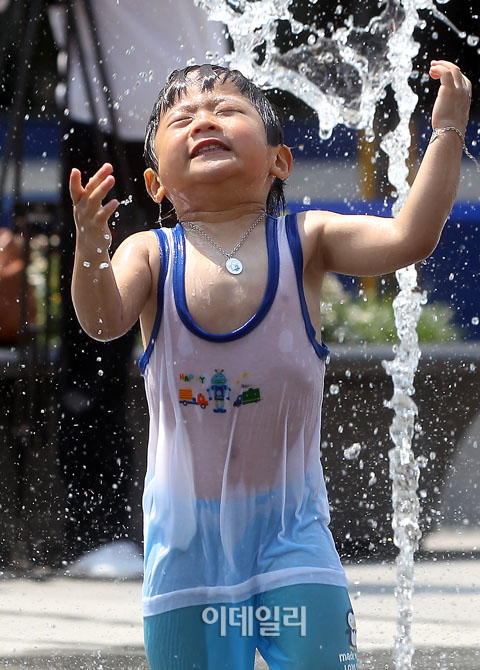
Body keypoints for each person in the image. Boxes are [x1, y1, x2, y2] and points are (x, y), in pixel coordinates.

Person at [69, 60, 471, 669]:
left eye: (229, 111)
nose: (205, 120)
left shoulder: (306, 239)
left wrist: (445, 133)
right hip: (185, 552)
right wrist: (91, 248)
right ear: (155, 184)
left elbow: (410, 238)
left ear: (280, 161)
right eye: (183, 119)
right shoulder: (149, 253)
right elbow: (101, 321)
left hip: (293, 540)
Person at [48, 0, 227, 568]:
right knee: (95, 333)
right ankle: (96, 526)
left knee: (218, 307)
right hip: (103, 120)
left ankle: (225, 509)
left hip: (206, 119)